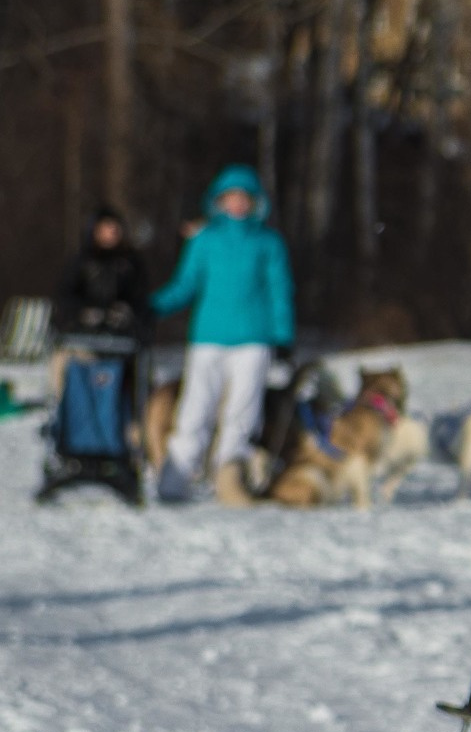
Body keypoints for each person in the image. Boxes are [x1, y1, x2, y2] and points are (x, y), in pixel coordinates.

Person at [150, 166, 295, 502]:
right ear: (219, 201)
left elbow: (279, 291)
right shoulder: (204, 240)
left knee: (242, 414)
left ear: (256, 202)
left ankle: (229, 482)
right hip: (208, 337)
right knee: (195, 409)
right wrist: (151, 308)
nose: (238, 204)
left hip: (253, 339)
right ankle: (174, 481)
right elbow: (184, 286)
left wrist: (283, 336)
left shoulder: (268, 243)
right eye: (231, 197)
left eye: (245, 197)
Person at [56, 206, 153, 339]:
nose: (111, 233)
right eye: (106, 228)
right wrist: (82, 312)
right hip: (82, 334)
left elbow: (141, 298)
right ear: (95, 231)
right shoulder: (82, 261)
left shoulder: (131, 263)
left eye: (115, 228)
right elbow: (66, 294)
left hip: (122, 335)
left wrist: (127, 311)